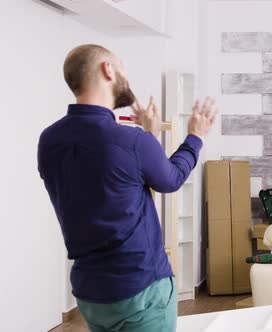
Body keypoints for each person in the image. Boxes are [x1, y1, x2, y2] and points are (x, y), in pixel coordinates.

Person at [37, 44, 219, 332]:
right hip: (139, 288)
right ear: (108, 70)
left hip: (91, 293)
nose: (125, 74)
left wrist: (149, 136)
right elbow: (169, 179)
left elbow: (112, 185)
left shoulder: (49, 141)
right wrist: (195, 137)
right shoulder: (131, 142)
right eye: (121, 66)